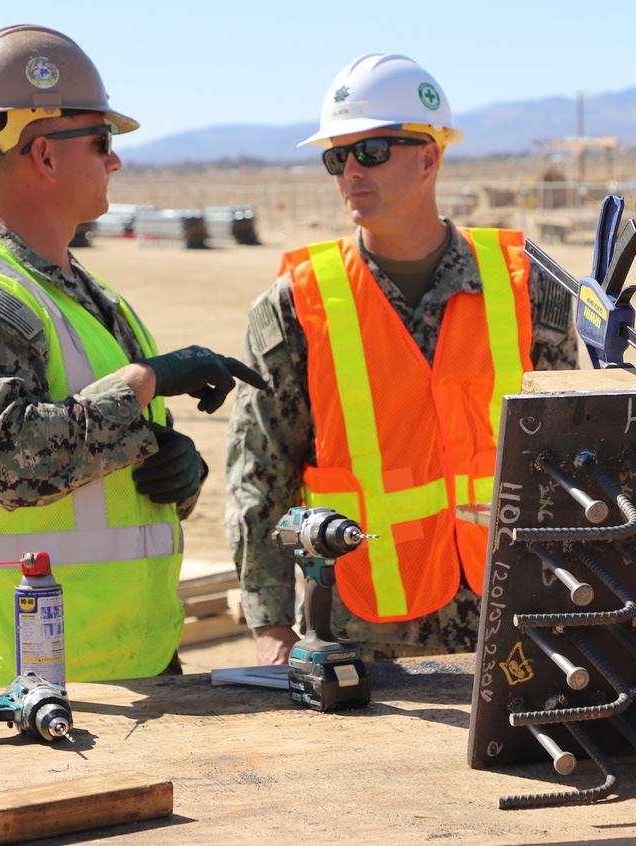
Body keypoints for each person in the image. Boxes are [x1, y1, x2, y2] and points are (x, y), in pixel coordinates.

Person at [0, 24, 265, 689]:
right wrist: (148, 379)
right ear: (44, 155)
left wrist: (171, 474)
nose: (115, 162)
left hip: (129, 665)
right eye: (102, 142)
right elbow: (8, 462)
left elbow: (100, 467)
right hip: (15, 684)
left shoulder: (92, 299)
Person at [225, 53, 578, 665]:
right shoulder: (296, 305)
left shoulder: (526, 284)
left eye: (372, 150)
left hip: (517, 610)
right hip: (364, 628)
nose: (350, 171)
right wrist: (270, 623)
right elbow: (260, 472)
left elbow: (572, 450)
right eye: (337, 156)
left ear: (429, 156)